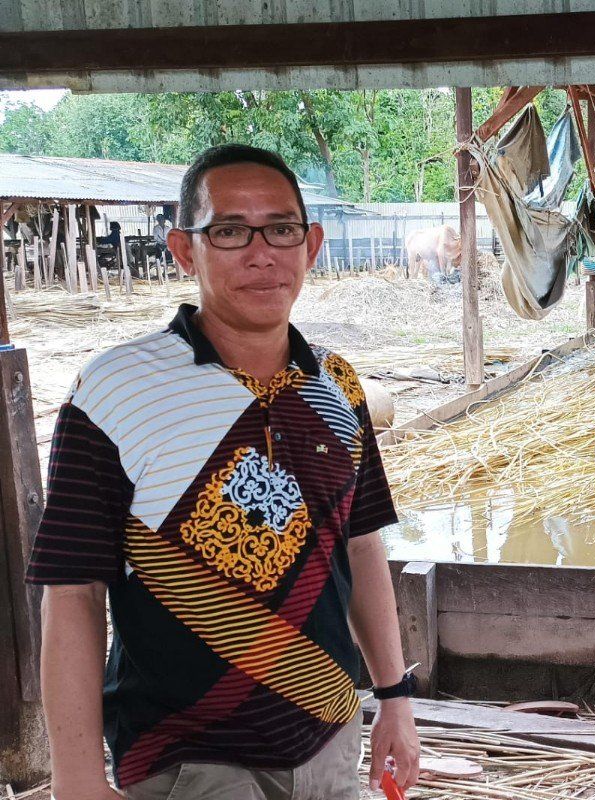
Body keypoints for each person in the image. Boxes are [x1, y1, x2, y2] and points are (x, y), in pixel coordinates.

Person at [26, 144, 420, 800]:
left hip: (330, 744)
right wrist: (76, 781)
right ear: (185, 251)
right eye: (231, 231)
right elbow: (71, 595)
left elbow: (363, 544)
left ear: (311, 244)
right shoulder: (114, 391)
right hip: (187, 762)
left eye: (282, 229)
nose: (262, 253)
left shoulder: (338, 385)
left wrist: (396, 700)